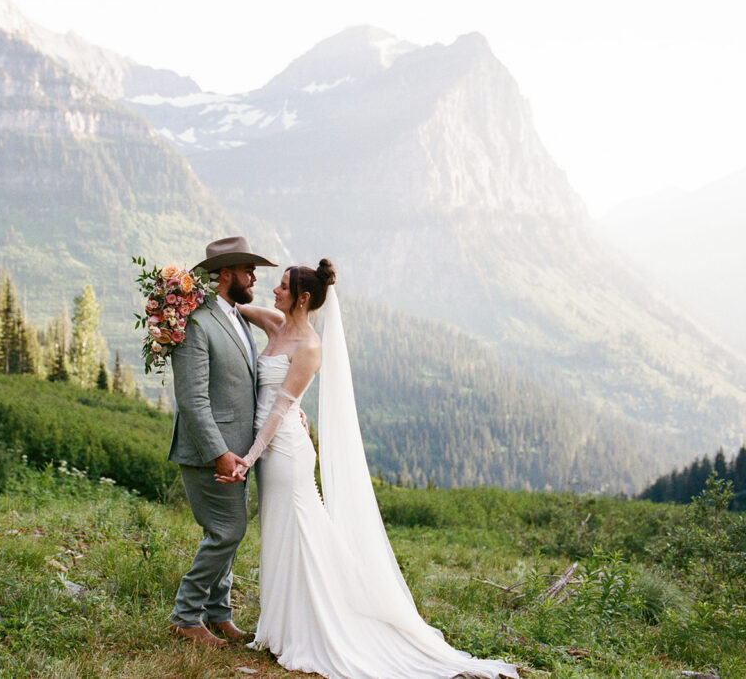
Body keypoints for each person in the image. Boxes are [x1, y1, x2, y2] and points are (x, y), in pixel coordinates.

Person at [217, 261, 518, 679]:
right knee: (283, 533)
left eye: (283, 287)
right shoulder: (274, 323)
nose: (274, 290)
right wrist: (188, 295)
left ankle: (315, 625)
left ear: (303, 298)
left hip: (284, 451)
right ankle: (283, 624)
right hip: (271, 449)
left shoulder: (309, 347)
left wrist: (249, 457)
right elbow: (229, 309)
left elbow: (282, 407)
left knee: (299, 532)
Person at [167, 236, 277, 648]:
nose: (253, 278)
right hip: (209, 452)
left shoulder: (236, 316)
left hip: (239, 451)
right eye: (248, 270)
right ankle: (185, 616)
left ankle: (218, 614)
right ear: (227, 273)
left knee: (227, 531)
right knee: (227, 532)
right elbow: (192, 400)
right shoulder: (196, 323)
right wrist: (219, 454)